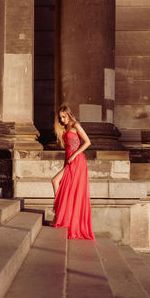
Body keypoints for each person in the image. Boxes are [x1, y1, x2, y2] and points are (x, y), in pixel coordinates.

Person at [51, 104, 97, 245]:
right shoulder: (65, 128)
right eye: (60, 118)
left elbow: (88, 142)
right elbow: (67, 149)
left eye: (64, 117)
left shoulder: (76, 125)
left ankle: (60, 214)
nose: (62, 120)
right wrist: (67, 161)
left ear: (69, 115)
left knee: (56, 181)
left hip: (77, 161)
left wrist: (75, 155)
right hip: (69, 161)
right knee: (61, 185)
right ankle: (61, 214)